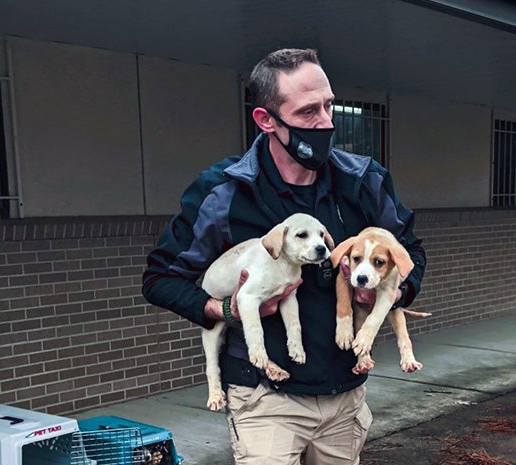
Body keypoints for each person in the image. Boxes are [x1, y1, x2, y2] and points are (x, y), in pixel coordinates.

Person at [142, 48, 426, 465]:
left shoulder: (363, 180)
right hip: (264, 400)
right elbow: (160, 280)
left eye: (330, 105)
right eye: (309, 111)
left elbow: (411, 253)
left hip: (343, 398)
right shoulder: (224, 192)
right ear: (266, 120)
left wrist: (393, 293)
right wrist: (223, 307)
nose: (326, 122)